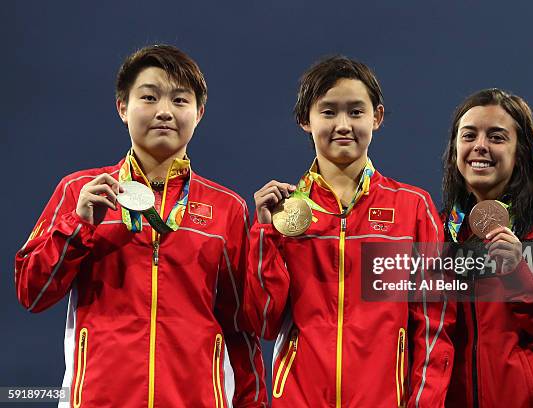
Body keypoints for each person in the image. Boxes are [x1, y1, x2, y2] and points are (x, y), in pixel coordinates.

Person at [15, 44, 266, 408]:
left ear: (199, 114)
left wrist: (253, 403)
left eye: (180, 101)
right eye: (149, 97)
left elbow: (241, 329)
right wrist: (78, 224)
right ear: (122, 107)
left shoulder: (226, 209)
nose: (164, 111)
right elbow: (31, 292)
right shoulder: (80, 191)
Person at [243, 56, 454, 407]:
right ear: (304, 121)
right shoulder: (284, 214)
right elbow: (264, 321)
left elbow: (435, 326)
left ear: (377, 117)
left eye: (356, 112)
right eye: (328, 112)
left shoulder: (413, 207)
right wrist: (265, 234)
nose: (343, 124)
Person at [440, 88, 533, 407]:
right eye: (469, 135)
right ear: (456, 147)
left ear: (520, 151)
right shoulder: (435, 231)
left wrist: (520, 278)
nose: (480, 146)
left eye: (496, 137)